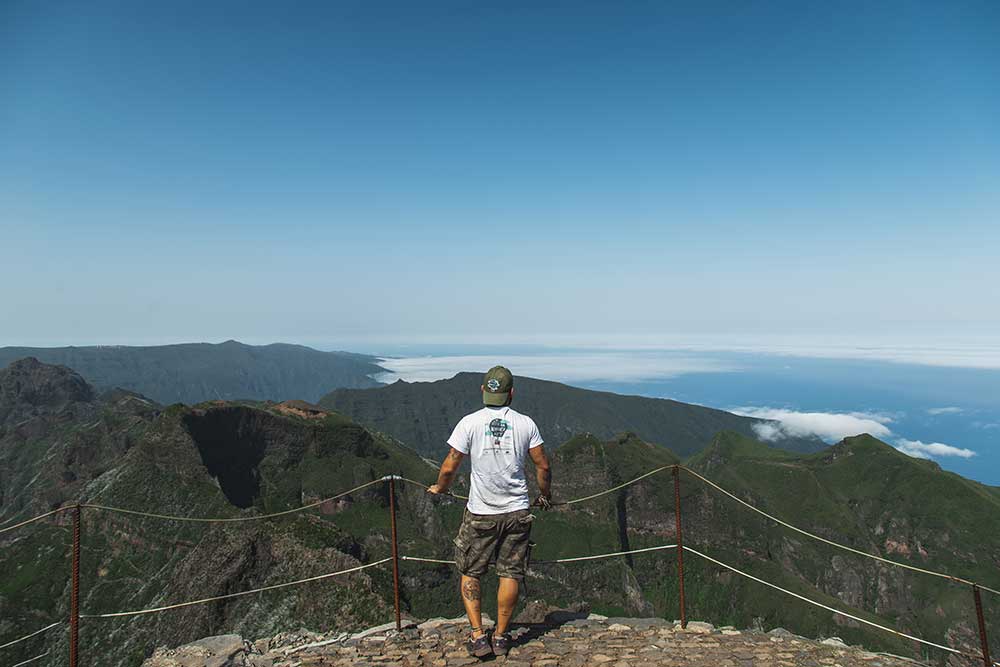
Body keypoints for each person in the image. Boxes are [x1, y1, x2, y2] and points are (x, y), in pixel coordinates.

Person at [427, 365, 552, 658]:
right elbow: (542, 465)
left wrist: (440, 488)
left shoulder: (469, 423)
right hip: (517, 511)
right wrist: (545, 495)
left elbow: (450, 464)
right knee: (510, 572)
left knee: (471, 571)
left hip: (481, 512)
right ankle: (500, 635)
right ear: (511, 393)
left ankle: (477, 636)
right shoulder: (526, 424)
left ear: (483, 390)